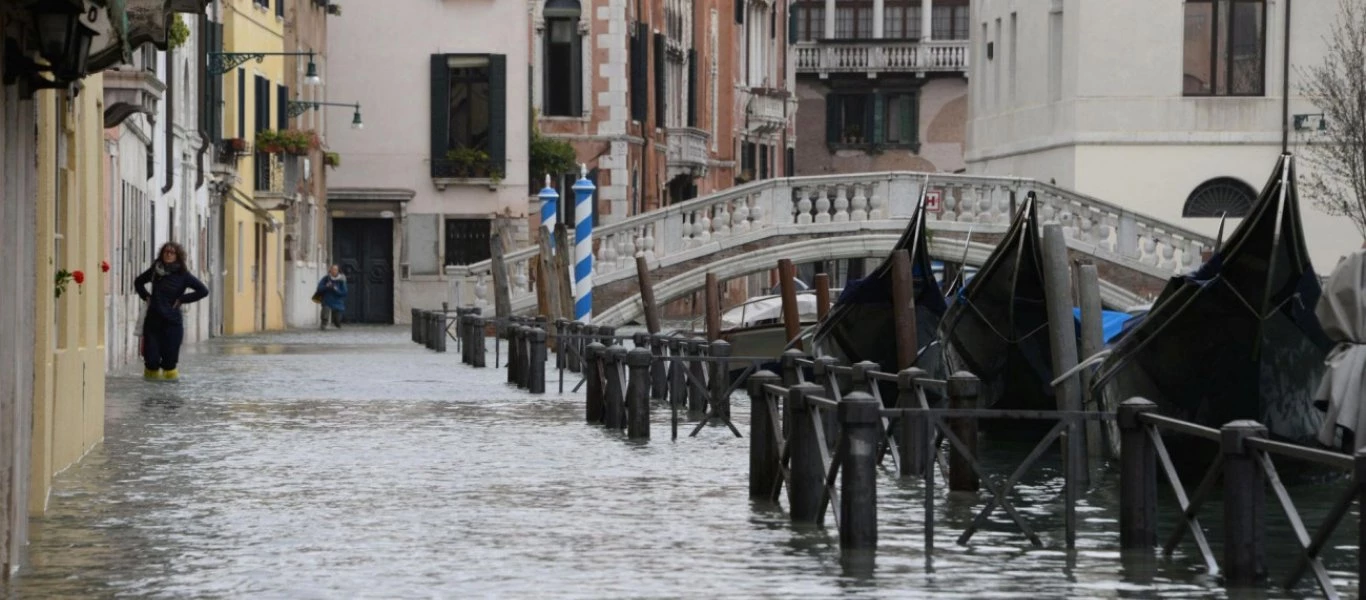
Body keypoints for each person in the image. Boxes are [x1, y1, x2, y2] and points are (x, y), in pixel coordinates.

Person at [134, 242, 209, 381]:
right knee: (151, 361)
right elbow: (138, 282)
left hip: (172, 323)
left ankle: (170, 398)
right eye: (166, 252)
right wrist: (146, 296)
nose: (168, 254)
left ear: (177, 256)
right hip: (153, 321)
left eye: (172, 252)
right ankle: (150, 396)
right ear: (162, 254)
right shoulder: (155, 271)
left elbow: (203, 291)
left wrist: (181, 299)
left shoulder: (183, 275)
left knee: (169, 363)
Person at [316, 265, 348, 329]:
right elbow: (319, 288)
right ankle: (324, 324)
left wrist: (336, 289)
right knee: (325, 311)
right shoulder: (326, 278)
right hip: (327, 300)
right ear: (330, 270)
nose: (334, 271)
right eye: (332, 269)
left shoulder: (341, 280)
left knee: (337, 320)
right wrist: (326, 286)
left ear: (338, 271)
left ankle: (337, 323)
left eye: (335, 269)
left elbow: (344, 292)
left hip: (337, 301)